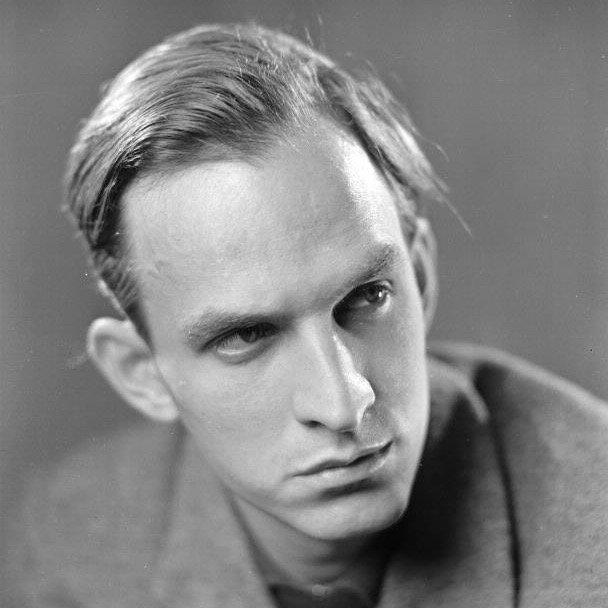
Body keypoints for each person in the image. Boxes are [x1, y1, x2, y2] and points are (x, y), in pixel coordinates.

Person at [8, 22, 608, 608]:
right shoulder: (64, 545)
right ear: (142, 373)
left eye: (368, 297)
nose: (344, 405)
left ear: (420, 279)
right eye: (246, 335)